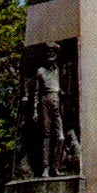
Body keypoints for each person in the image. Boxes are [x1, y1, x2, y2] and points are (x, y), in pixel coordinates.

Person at [30, 42, 65, 177]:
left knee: (60, 137)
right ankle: (45, 168)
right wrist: (35, 110)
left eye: (52, 53)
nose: (50, 55)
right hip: (45, 100)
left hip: (56, 101)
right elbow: (36, 92)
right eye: (48, 52)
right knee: (46, 135)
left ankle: (55, 167)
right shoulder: (40, 71)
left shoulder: (60, 70)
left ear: (56, 55)